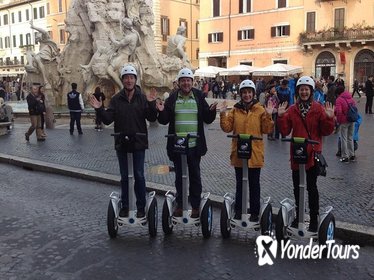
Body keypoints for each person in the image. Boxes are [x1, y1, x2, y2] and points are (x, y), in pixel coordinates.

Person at [89, 65, 158, 218]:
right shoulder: (116, 99)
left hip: (138, 142)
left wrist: (152, 104)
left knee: (139, 175)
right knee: (125, 176)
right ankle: (126, 206)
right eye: (126, 78)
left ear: (135, 80)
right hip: (122, 142)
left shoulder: (142, 98)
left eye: (131, 77)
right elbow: (107, 120)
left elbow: (152, 118)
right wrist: (99, 109)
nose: (128, 80)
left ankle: (141, 206)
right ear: (122, 80)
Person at [156, 68, 218, 218]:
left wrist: (212, 111)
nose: (186, 83)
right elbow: (164, 120)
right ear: (178, 82)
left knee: (195, 175)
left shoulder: (198, 96)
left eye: (188, 80)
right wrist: (161, 111)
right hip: (177, 145)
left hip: (194, 146)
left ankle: (195, 206)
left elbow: (207, 119)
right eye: (183, 80)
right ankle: (180, 204)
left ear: (192, 82)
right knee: (179, 177)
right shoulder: (172, 98)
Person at [277, 76, 335, 232]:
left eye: (306, 89)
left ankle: (314, 219)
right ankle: (299, 216)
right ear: (298, 91)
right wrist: (281, 116)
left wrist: (330, 118)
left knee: (311, 187)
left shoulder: (318, 109)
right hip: (297, 154)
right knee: (297, 187)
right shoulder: (292, 109)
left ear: (311, 91)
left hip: (312, 154)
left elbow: (326, 131)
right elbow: (284, 131)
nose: (304, 92)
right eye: (301, 89)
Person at [220, 79, 274, 221]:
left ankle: (255, 213)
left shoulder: (260, 110)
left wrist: (269, 115)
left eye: (249, 92)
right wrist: (222, 114)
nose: (247, 95)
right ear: (241, 94)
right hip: (239, 154)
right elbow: (227, 128)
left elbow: (267, 130)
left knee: (254, 185)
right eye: (244, 93)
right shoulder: (235, 110)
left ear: (253, 94)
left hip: (255, 154)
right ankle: (239, 211)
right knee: (240, 184)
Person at [334, 86, 356, 163]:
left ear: (337, 93)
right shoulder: (350, 97)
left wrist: (338, 121)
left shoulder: (339, 99)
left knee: (344, 138)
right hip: (352, 120)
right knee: (350, 138)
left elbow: (339, 112)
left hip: (344, 121)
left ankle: (345, 156)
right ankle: (352, 155)